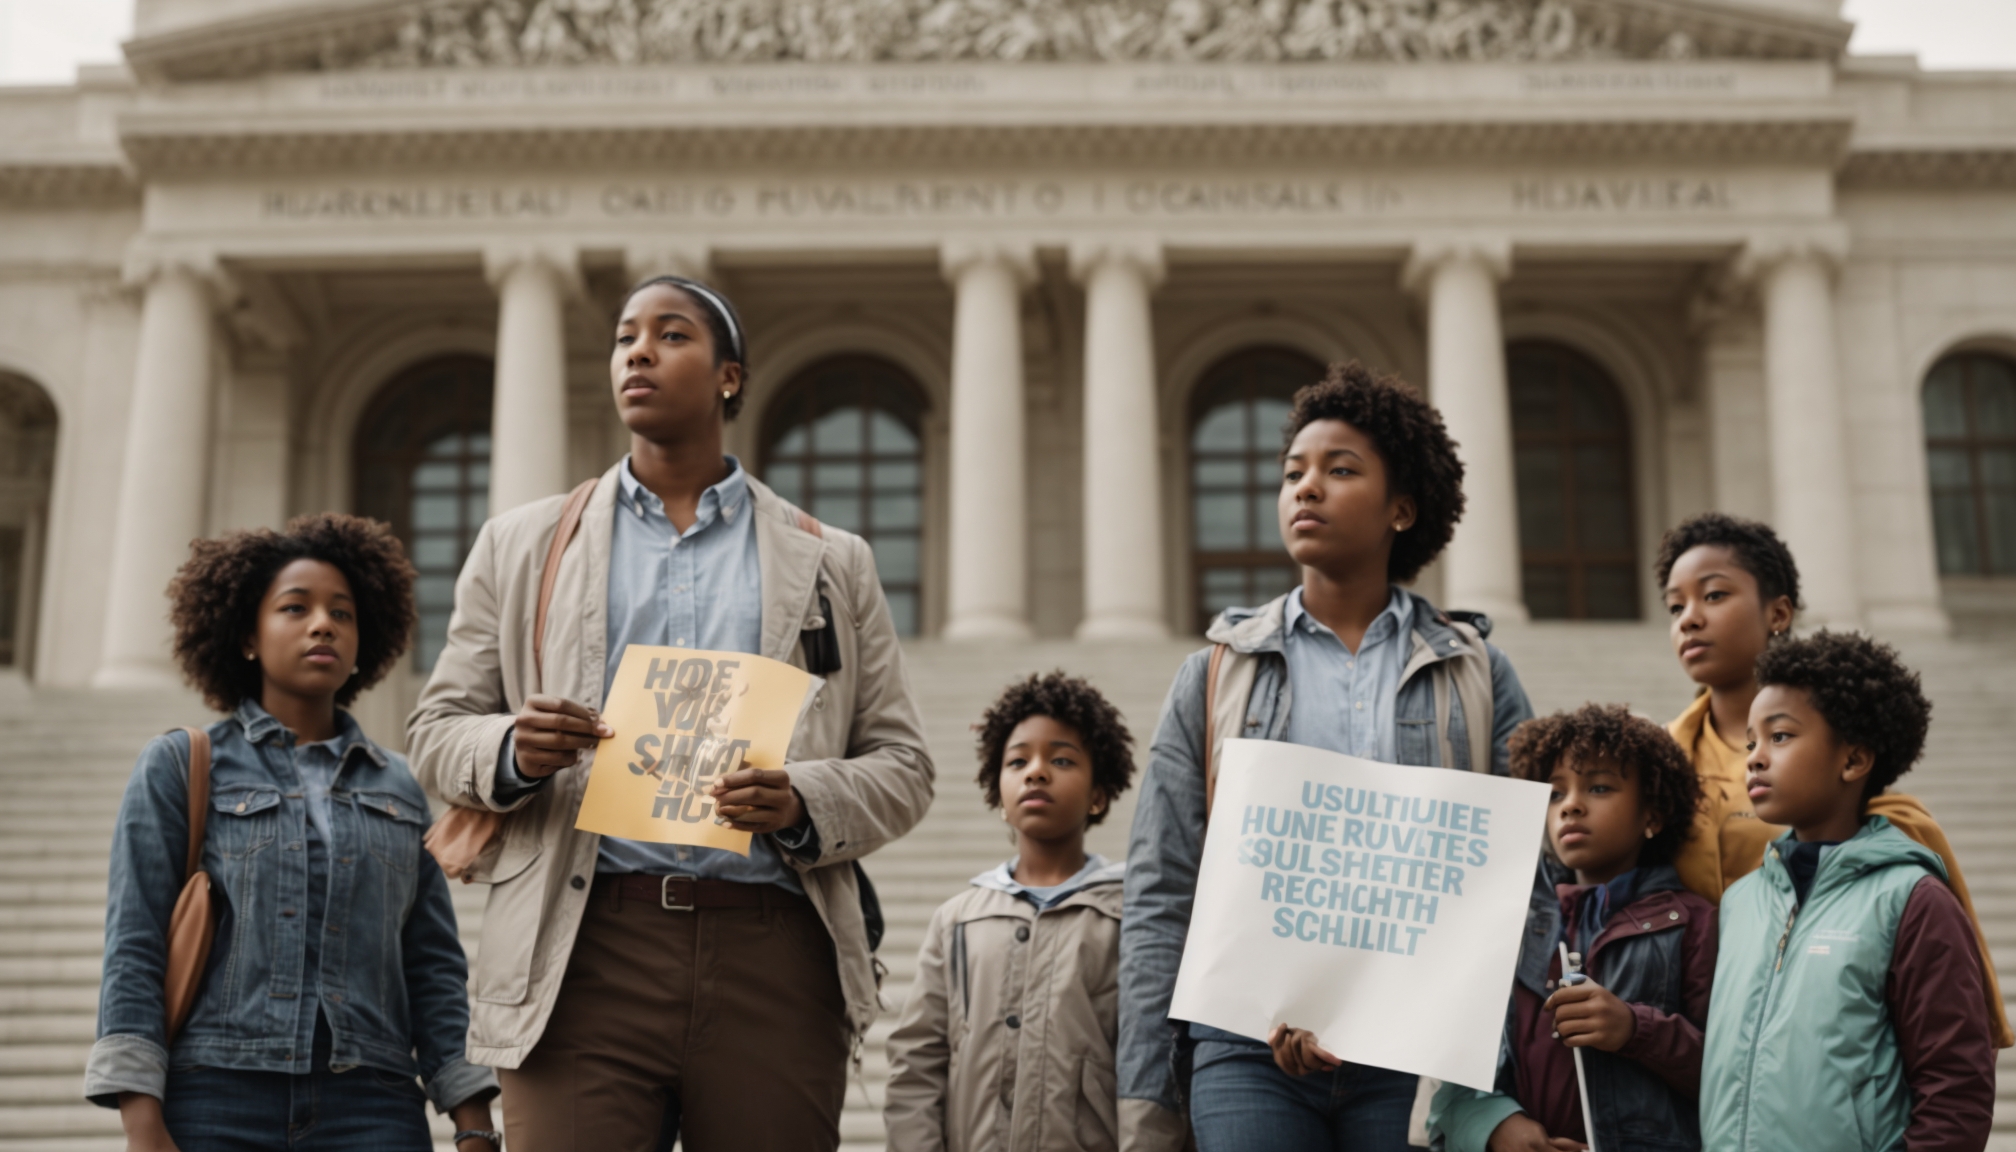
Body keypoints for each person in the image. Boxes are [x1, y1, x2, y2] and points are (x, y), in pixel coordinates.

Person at [407, 274, 934, 1151]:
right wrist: (513, 748)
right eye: (624, 338)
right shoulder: (523, 543)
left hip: (775, 947)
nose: (639, 352)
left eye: (671, 334)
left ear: (731, 376)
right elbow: (435, 732)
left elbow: (905, 767)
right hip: (580, 949)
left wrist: (804, 801)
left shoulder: (833, 561)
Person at [1118, 363, 1535, 1152]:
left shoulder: (1478, 670)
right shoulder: (1214, 672)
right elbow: (1163, 885)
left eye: (1340, 471)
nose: (1305, 489)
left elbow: (1526, 876)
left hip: (1416, 1052)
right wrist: (1147, 1095)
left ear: (1402, 509)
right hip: (1246, 1043)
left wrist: (1501, 1062)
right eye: (1292, 473)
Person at [86, 514, 499, 1152]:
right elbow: (135, 945)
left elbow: (432, 965)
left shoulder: (398, 785)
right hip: (218, 1097)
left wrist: (472, 1120)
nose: (323, 624)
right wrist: (142, 1119)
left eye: (343, 612)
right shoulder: (179, 765)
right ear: (248, 636)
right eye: (295, 608)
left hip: (374, 1105)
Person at [1655, 512, 2011, 1047]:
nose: (1689, 619)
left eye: (1713, 596)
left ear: (1778, 613)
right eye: (1675, 606)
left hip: (1827, 1047)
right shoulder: (1656, 764)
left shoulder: (1877, 812)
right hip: (1686, 1050)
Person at [1701, 632, 1996, 1151]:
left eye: (1781, 737)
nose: (1755, 758)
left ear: (1854, 760)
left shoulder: (1913, 900)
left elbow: (1957, 1093)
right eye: (1751, 742)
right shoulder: (1739, 903)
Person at [1420, 704, 1713, 1152]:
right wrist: (1496, 1126)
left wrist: (1635, 1029)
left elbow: (1733, 1076)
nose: (1571, 805)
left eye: (1598, 787)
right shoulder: (1506, 926)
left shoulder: (1695, 924)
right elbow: (1457, 1073)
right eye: (1555, 794)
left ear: (1652, 814)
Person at [886, 672, 1138, 1152]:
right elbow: (917, 1063)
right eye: (1018, 761)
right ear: (998, 792)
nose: (1036, 771)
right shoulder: (957, 921)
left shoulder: (1128, 915)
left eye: (1061, 759)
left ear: (1099, 794)